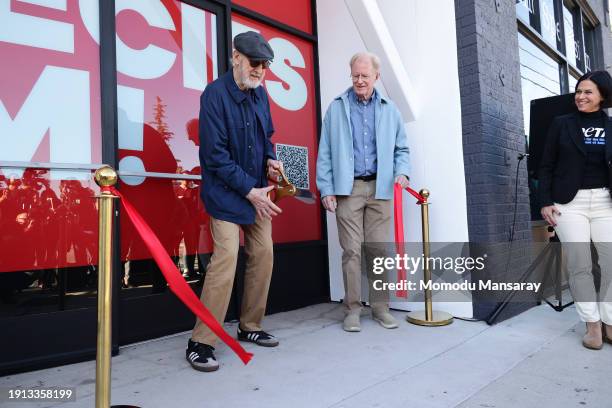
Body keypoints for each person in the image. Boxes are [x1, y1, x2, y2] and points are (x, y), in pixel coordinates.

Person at [186, 31, 284, 372]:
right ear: (236, 58)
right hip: (227, 194)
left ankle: (250, 326)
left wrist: (271, 160)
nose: (260, 70)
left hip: (257, 192)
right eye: (255, 63)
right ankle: (201, 340)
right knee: (225, 259)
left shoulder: (261, 96)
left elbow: (267, 137)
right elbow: (215, 156)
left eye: (265, 65)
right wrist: (250, 190)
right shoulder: (213, 95)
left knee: (264, 253)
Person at [316, 51, 411, 332]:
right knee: (351, 252)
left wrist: (402, 171)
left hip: (380, 188)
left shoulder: (390, 110)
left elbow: (401, 149)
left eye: (365, 76)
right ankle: (353, 310)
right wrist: (326, 189)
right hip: (349, 189)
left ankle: (381, 308)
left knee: (379, 251)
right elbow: (325, 152)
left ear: (376, 77)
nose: (359, 81)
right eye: (355, 75)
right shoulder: (336, 108)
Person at [539, 70, 612, 350]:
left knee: (609, 263)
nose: (580, 96)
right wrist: (545, 201)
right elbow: (546, 166)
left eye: (588, 92)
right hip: (570, 203)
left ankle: (609, 320)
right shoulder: (562, 124)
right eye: (578, 91)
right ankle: (592, 325)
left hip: (605, 202)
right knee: (579, 264)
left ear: (602, 96)